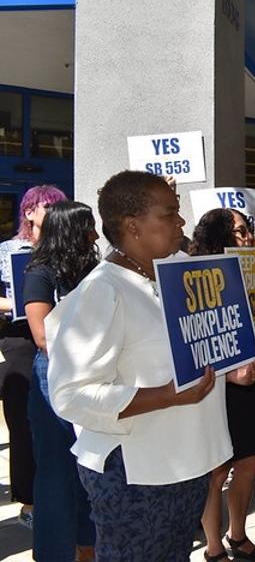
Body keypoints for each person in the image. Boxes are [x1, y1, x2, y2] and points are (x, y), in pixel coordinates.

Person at [48, 170, 255, 560]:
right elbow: (71, 395)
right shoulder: (103, 291)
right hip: (135, 474)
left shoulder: (186, 270)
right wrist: (166, 396)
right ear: (133, 226)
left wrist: (237, 368)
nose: (181, 222)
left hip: (190, 463)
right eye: (170, 214)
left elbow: (203, 349)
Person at [192, 208, 255, 562]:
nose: (246, 237)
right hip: (212, 386)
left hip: (248, 381)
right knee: (216, 469)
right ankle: (213, 547)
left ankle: (237, 535)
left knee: (248, 461)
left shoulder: (252, 274)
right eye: (239, 231)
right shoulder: (196, 277)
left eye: (247, 230)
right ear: (218, 236)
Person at [23, 200, 98, 562]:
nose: (95, 235)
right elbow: (42, 336)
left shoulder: (94, 269)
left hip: (92, 375)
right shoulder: (40, 272)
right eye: (87, 227)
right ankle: (54, 553)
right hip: (52, 376)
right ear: (69, 230)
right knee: (55, 470)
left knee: (89, 463)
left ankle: (88, 545)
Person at [0, 184, 66, 529]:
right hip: (21, 343)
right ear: (29, 212)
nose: (53, 213)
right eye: (47, 207)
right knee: (23, 424)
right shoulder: (7, 251)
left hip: (62, 341)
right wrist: (26, 304)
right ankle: (29, 502)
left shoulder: (63, 250)